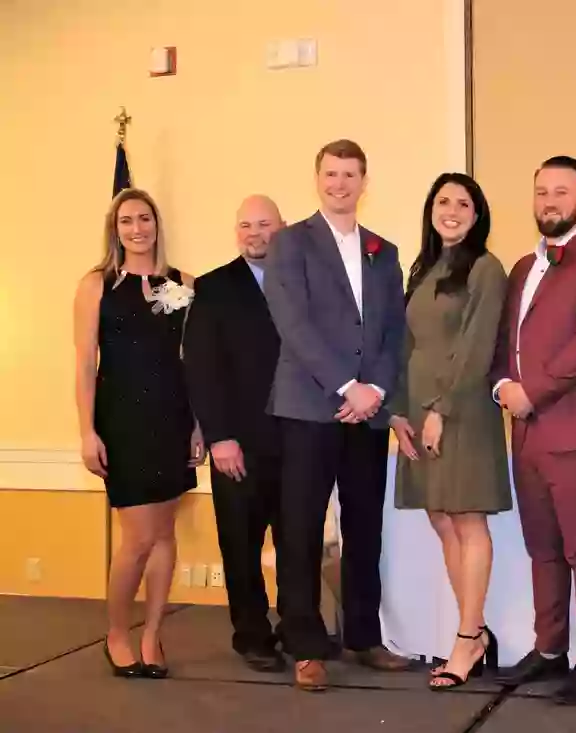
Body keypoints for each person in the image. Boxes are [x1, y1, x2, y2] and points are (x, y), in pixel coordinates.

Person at [263, 139, 410, 692]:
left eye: (350, 174)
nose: (340, 183)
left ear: (364, 181)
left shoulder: (384, 250)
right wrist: (347, 385)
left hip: (367, 414)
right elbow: (293, 324)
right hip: (307, 408)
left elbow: (395, 329)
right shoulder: (290, 243)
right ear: (317, 178)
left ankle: (363, 637)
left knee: (364, 527)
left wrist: (374, 389)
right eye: (331, 173)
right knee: (300, 529)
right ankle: (305, 645)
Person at [491, 156, 576, 705]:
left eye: (562, 191)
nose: (550, 200)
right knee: (542, 549)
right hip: (525, 432)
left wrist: (534, 391)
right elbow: (510, 341)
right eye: (541, 191)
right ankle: (549, 649)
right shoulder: (524, 267)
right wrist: (503, 382)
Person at [74, 188, 204, 679]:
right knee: (138, 538)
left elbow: (193, 362)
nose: (137, 229)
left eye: (144, 219)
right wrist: (87, 432)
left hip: (172, 420)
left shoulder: (183, 284)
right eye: (126, 220)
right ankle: (116, 633)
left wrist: (198, 424)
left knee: (165, 533)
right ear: (116, 228)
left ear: (156, 225)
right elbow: (86, 365)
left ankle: (152, 634)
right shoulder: (96, 285)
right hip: (122, 423)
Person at [387, 173, 511, 690]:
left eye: (463, 203)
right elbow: (404, 344)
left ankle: (465, 638)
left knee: (468, 519)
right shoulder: (423, 268)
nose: (452, 210)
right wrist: (398, 412)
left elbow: (478, 347)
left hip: (461, 409)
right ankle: (476, 632)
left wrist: (442, 409)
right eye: (443, 201)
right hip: (417, 408)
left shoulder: (485, 268)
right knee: (441, 518)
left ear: (477, 214)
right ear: (431, 209)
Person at [183, 195, 288, 673]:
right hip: (237, 445)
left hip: (299, 440)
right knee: (241, 544)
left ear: (281, 228)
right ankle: (252, 634)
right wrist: (220, 436)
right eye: (244, 224)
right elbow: (202, 369)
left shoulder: (304, 280)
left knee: (298, 542)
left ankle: (298, 626)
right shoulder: (213, 287)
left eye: (263, 224)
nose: (253, 233)